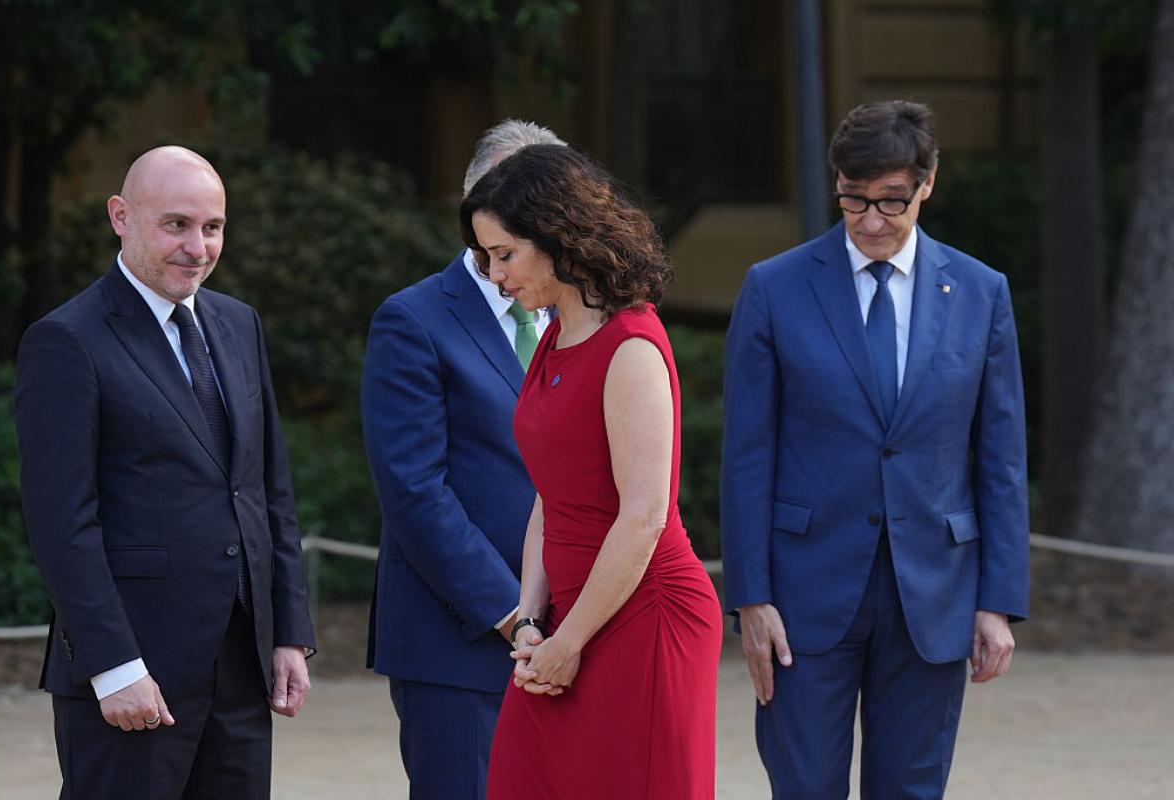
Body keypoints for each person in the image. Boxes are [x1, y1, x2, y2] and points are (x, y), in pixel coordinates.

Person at [721, 99, 1030, 799]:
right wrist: (750, 597)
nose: (869, 221)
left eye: (891, 202)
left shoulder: (982, 292)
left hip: (936, 595)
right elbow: (745, 454)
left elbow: (1001, 460)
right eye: (852, 200)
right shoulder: (774, 288)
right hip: (803, 595)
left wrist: (998, 601)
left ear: (927, 182)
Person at [14, 145, 316, 798]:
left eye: (213, 227)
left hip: (241, 668)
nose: (198, 247)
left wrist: (288, 632)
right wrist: (114, 666)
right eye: (176, 224)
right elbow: (62, 522)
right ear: (120, 216)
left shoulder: (239, 324)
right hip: (132, 672)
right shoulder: (65, 341)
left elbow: (267, 489)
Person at [460, 144, 723, 799]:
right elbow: (554, 495)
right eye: (486, 257)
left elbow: (643, 515)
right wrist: (529, 621)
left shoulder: (630, 344)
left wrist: (566, 642)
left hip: (646, 620)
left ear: (557, 237)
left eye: (504, 253)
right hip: (567, 624)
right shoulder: (553, 333)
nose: (495, 275)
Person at [360, 119, 566, 799]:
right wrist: (517, 617)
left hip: (574, 637)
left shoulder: (583, 318)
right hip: (460, 642)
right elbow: (414, 492)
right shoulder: (413, 319)